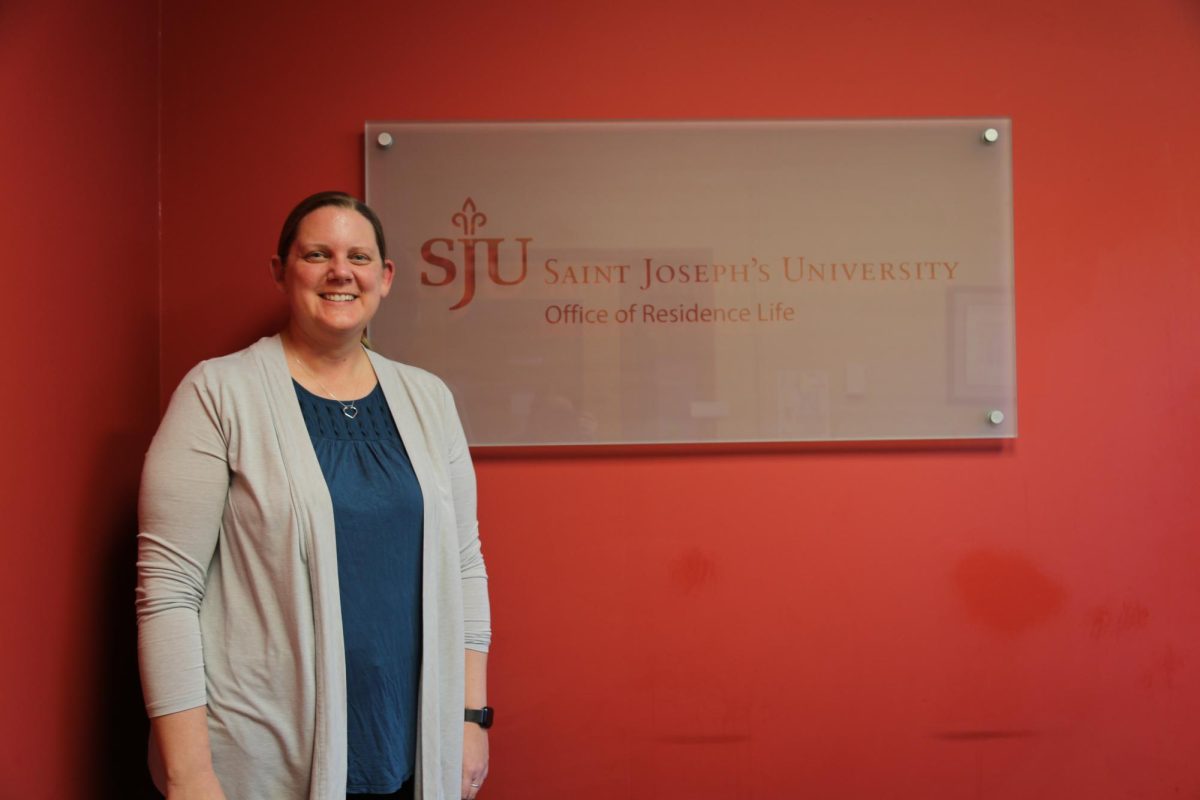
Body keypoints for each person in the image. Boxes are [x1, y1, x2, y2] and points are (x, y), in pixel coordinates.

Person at [136, 191, 492, 800]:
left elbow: (464, 563)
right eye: (317, 254)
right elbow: (168, 590)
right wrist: (189, 773)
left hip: (411, 745)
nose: (340, 272)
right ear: (281, 271)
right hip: (260, 756)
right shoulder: (218, 393)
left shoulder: (428, 399)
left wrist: (470, 718)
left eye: (359, 256)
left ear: (384, 278)